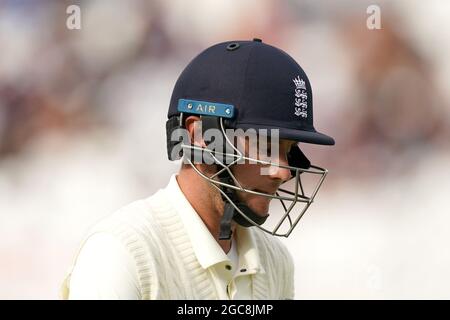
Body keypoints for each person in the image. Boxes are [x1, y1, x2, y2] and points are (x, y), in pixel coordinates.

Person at [61, 38, 335, 300]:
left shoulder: (276, 261)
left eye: (288, 150)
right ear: (201, 136)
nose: (283, 172)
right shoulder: (120, 253)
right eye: (266, 146)